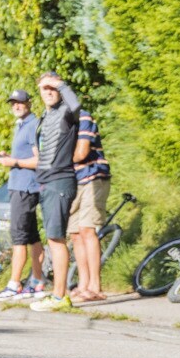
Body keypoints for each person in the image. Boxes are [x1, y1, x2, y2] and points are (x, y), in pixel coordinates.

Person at [27, 72, 82, 313]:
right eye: (44, 88)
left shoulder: (66, 112)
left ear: (59, 89)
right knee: (53, 238)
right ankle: (57, 294)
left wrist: (60, 84)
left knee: (56, 240)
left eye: (52, 88)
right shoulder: (45, 116)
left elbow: (76, 104)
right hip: (48, 183)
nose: (48, 92)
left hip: (60, 182)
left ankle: (60, 296)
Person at [0, 90, 46, 301]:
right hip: (21, 186)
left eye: (20, 102)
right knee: (32, 237)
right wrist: (10, 157)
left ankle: (14, 285)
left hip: (26, 188)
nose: (16, 106)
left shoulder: (33, 125)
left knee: (19, 236)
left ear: (29, 103)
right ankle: (37, 282)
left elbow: (39, 160)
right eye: (13, 103)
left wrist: (13, 162)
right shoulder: (22, 125)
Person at [68, 99, 111, 303]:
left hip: (93, 176)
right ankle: (83, 284)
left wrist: (58, 159)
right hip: (73, 180)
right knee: (75, 233)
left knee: (87, 229)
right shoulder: (56, 120)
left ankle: (95, 286)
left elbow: (82, 152)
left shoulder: (82, 115)